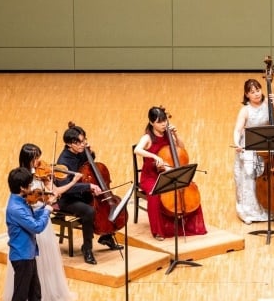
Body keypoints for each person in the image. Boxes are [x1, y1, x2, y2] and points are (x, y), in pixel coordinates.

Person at [2, 144, 78, 301]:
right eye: (35, 158)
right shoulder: (22, 179)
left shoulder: (41, 176)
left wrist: (51, 183)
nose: (39, 162)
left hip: (43, 216)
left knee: (45, 261)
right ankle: (29, 300)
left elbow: (54, 193)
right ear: (27, 159)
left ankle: (46, 294)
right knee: (32, 264)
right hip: (33, 221)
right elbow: (25, 202)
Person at [5, 167, 62, 301]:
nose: (32, 187)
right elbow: (36, 227)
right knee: (20, 296)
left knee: (34, 291)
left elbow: (31, 217)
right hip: (21, 256)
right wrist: (47, 210)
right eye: (29, 185)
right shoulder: (16, 208)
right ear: (22, 188)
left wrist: (44, 206)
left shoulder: (21, 201)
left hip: (28, 253)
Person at [134, 106, 207, 239]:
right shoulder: (147, 137)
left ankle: (187, 224)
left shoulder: (168, 133)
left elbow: (181, 148)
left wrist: (175, 135)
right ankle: (158, 231)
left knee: (188, 187)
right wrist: (154, 156)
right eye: (159, 122)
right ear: (151, 123)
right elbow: (137, 150)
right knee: (154, 195)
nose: (163, 124)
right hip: (151, 176)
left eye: (164, 121)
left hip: (169, 172)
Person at [54, 122, 121, 265]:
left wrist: (91, 154)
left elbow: (88, 168)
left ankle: (107, 236)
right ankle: (87, 249)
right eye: (80, 142)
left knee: (105, 202)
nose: (83, 144)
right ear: (70, 144)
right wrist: (88, 186)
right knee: (89, 211)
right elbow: (65, 187)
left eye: (84, 140)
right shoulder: (63, 162)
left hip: (83, 193)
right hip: (68, 198)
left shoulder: (81, 151)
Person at [232, 78, 274, 224]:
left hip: (265, 146)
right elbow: (238, 130)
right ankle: (249, 212)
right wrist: (236, 143)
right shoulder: (245, 110)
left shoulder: (267, 104)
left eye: (258, 90)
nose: (257, 94)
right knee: (249, 179)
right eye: (252, 92)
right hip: (250, 147)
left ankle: (272, 208)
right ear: (247, 95)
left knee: (267, 176)